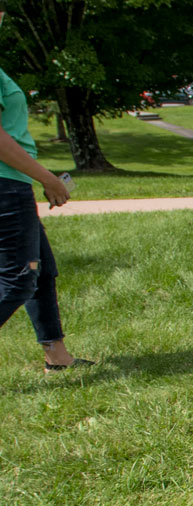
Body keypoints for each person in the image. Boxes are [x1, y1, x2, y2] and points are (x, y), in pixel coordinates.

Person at [0, 3, 93, 374]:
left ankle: (57, 354)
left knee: (43, 271)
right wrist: (46, 177)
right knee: (18, 279)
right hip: (6, 185)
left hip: (12, 181)